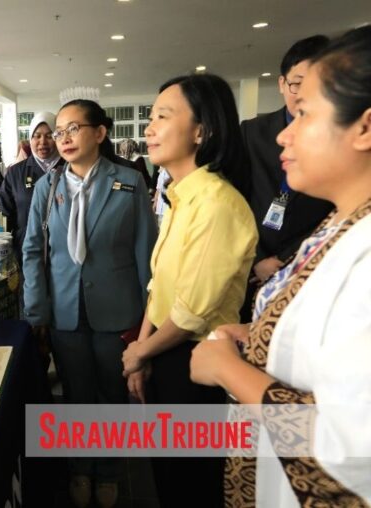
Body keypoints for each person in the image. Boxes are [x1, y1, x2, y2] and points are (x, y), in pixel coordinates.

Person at [190, 25, 371, 507]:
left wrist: (230, 372)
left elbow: (349, 458)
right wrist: (261, 336)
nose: (285, 132)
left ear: (365, 128)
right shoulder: (342, 222)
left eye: (305, 113)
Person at [121, 74, 258, 508]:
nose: (149, 128)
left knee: (191, 486)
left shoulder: (217, 204)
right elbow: (159, 287)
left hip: (196, 366)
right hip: (165, 350)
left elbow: (191, 313)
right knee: (168, 479)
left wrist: (140, 353)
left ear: (202, 130)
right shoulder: (180, 197)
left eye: (163, 116)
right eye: (150, 117)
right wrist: (142, 351)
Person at [23, 100, 157, 508]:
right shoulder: (47, 188)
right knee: (76, 394)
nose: (63, 138)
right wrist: (37, 312)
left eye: (73, 128)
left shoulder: (129, 182)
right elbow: (33, 251)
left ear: (99, 133)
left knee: (112, 395)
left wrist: (147, 321)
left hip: (117, 311)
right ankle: (80, 468)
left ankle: (110, 470)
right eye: (59, 131)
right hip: (65, 312)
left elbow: (145, 252)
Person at [239, 35, 333, 322]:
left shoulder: (336, 139)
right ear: (282, 83)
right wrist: (256, 260)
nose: (302, 94)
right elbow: (236, 198)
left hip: (309, 267)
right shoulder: (252, 133)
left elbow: (336, 208)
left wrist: (288, 260)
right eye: (296, 83)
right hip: (250, 265)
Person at [0, 112, 64, 264]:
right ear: (30, 139)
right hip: (25, 252)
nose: (43, 142)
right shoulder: (16, 173)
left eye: (49, 136)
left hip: (63, 252)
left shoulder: (70, 168)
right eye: (37, 136)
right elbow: (3, 214)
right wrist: (1, 253)